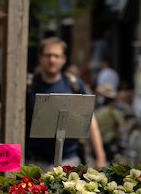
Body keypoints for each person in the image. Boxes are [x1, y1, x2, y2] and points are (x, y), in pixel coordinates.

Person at [26, 36, 107, 167]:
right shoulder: (29, 86)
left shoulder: (74, 85)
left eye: (56, 56)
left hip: (68, 161)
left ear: (63, 60)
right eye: (48, 55)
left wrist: (100, 156)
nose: (52, 60)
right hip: (33, 162)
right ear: (41, 58)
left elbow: (90, 119)